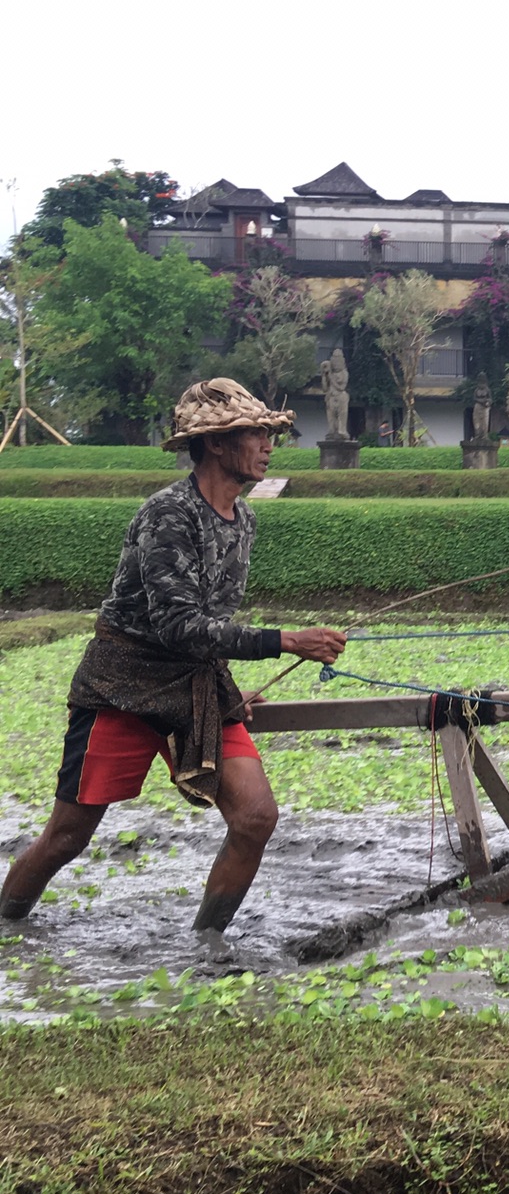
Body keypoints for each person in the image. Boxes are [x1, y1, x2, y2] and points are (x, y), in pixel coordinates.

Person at [0, 379, 347, 933]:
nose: (268, 445)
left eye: (267, 433)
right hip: (123, 685)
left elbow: (209, 622)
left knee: (256, 817)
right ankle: (6, 924)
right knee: (68, 837)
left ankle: (207, 943)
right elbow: (178, 624)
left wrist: (227, 688)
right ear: (215, 443)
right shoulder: (169, 514)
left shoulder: (244, 519)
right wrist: (284, 640)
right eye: (255, 433)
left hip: (195, 684)